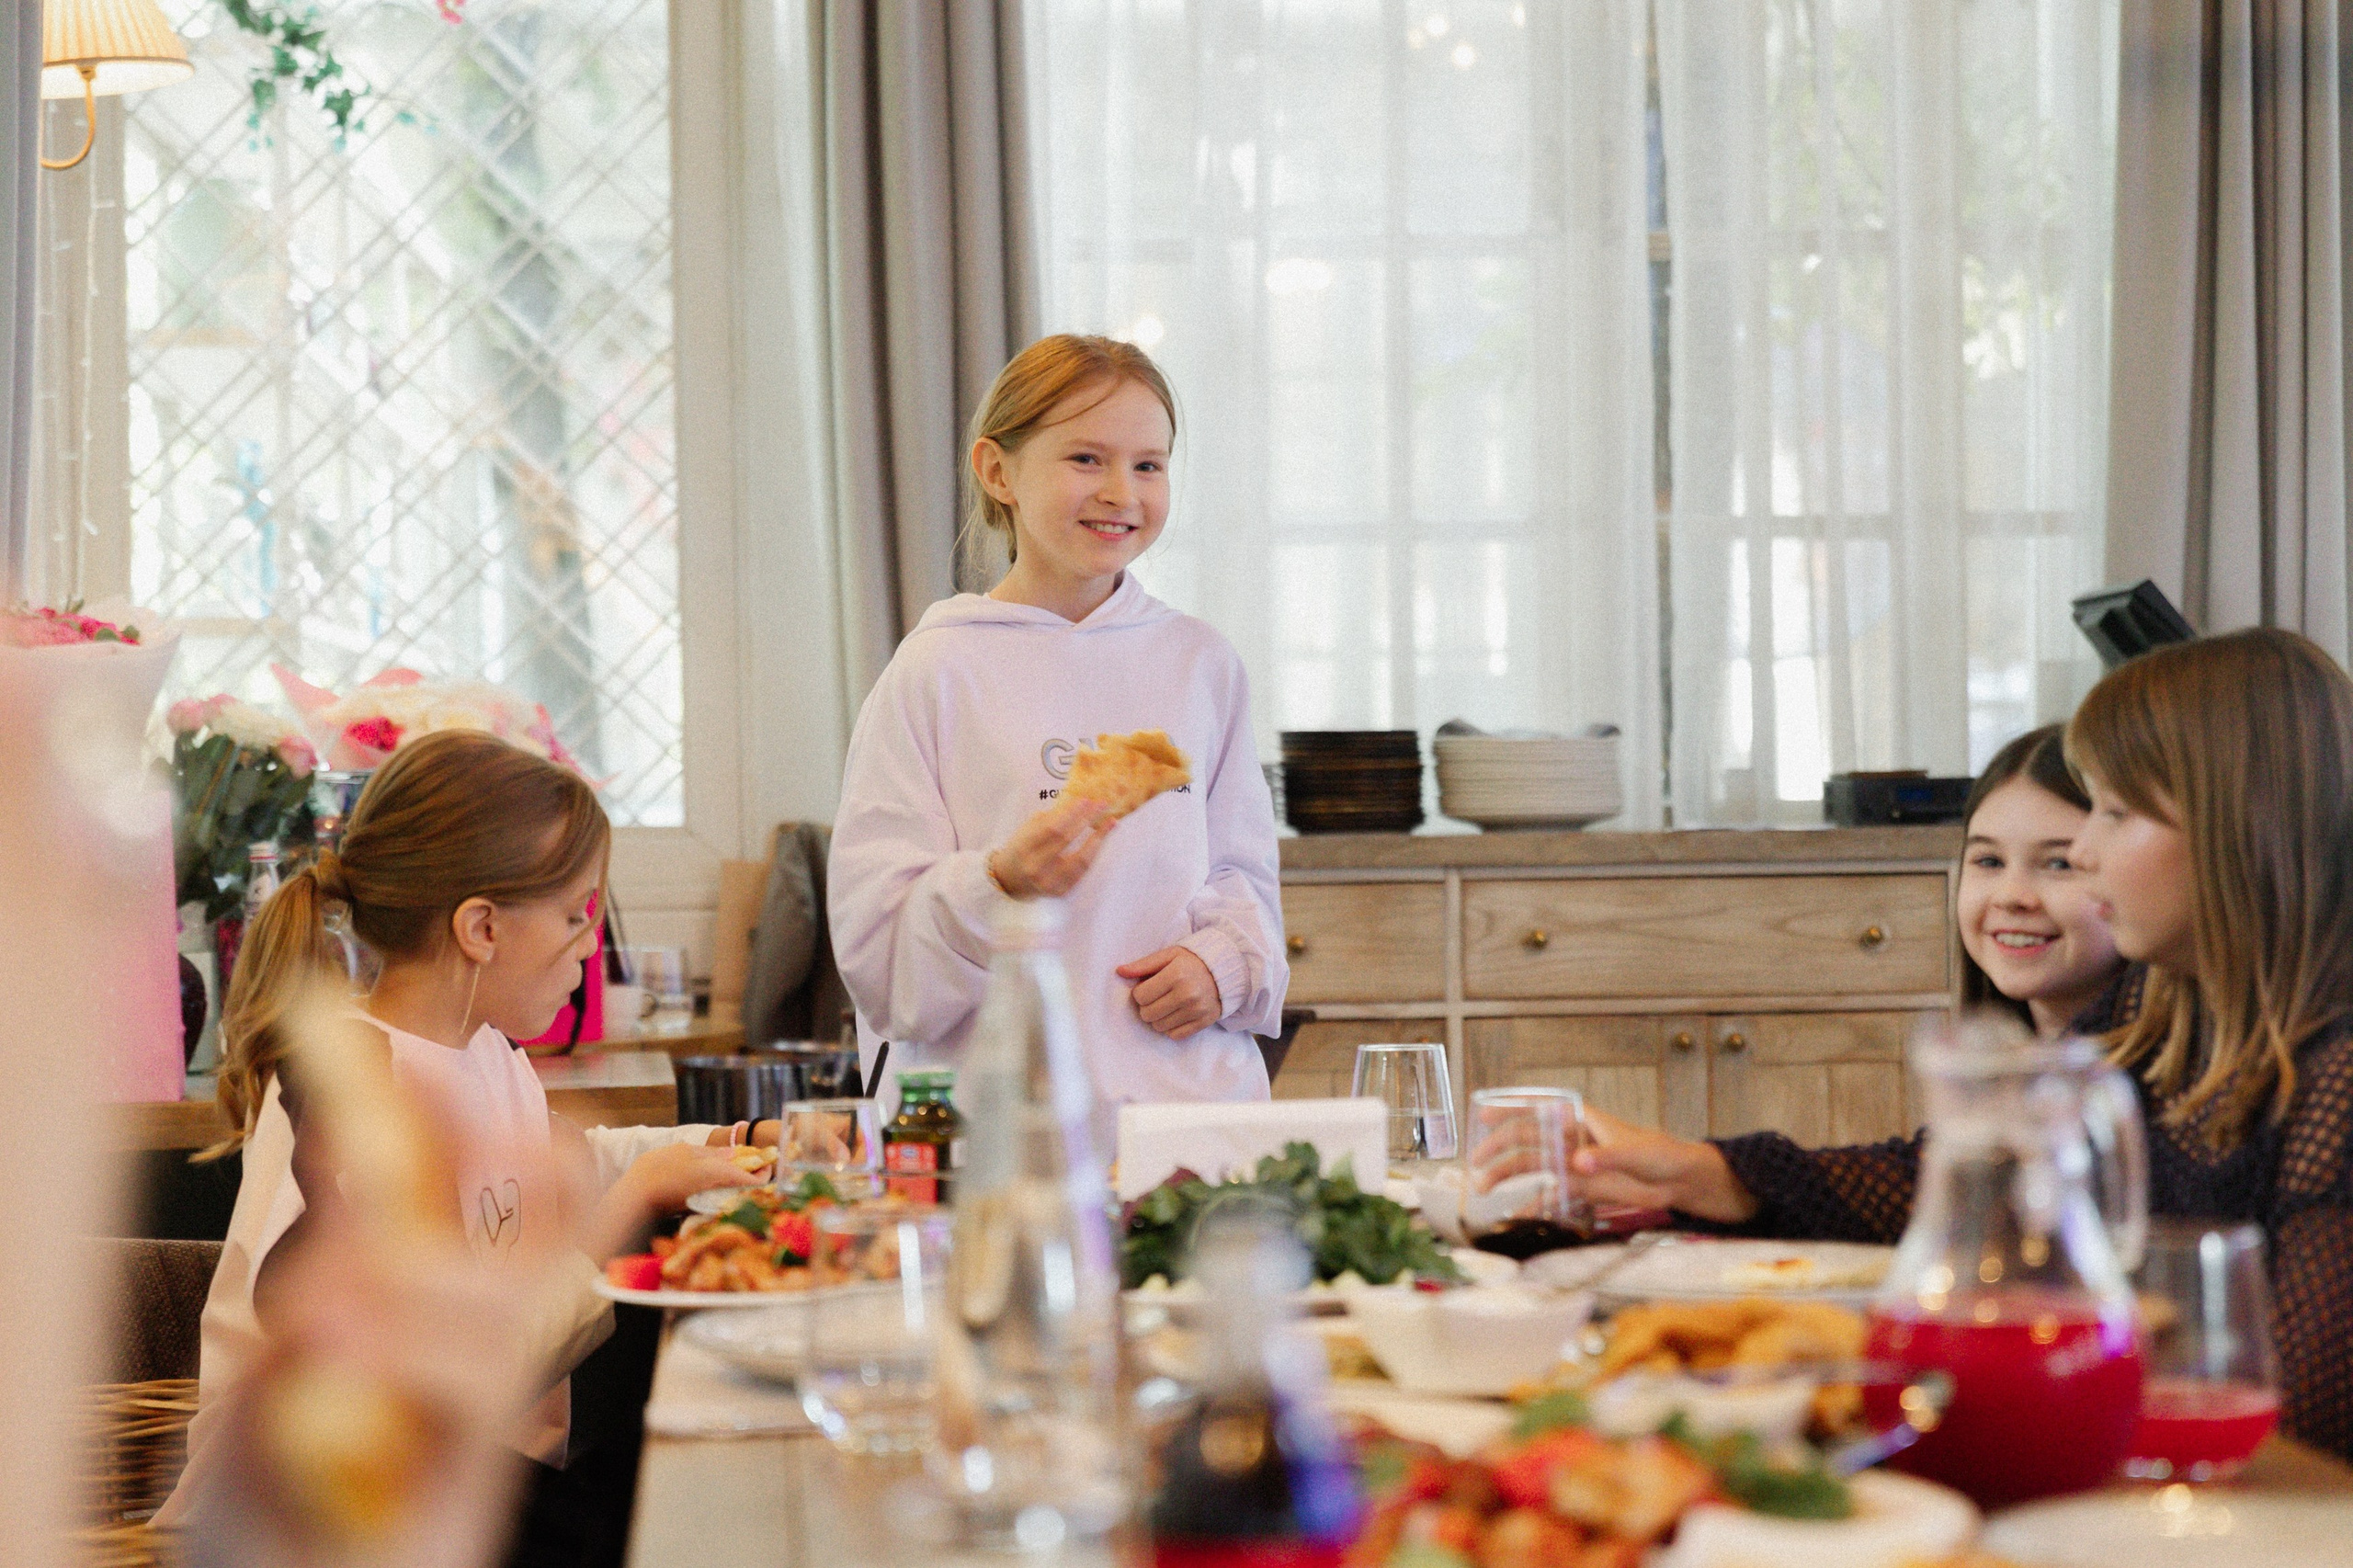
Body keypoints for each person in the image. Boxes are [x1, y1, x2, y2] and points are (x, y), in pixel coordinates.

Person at [1545, 631, 2353, 1460]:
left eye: (2116, 813)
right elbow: (1976, 1179)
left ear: (2241, 830)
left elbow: (2310, 1428)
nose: (2085, 850)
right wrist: (1708, 1171)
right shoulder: (2165, 1010)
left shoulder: (2336, 1079)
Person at [165, 730, 769, 1560]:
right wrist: (632, 1201)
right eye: (575, 915)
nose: (590, 945)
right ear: (481, 927)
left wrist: (730, 1140)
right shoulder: (358, 1099)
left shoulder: (484, 1049)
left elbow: (569, 1163)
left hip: (458, 1484)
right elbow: (441, 1375)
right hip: (322, 1520)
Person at [828, 334, 1287, 1112]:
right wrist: (999, 883)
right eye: (1086, 459)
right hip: (998, 1128)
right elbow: (880, 963)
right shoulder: (936, 670)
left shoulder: (1200, 663)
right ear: (996, 471)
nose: (1121, 492)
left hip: (1185, 1121)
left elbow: (1245, 886)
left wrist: (1222, 967)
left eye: (1148, 465)